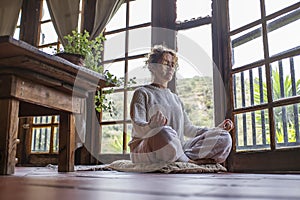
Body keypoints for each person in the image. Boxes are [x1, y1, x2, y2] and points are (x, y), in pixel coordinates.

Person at [128, 45, 234, 165]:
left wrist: (217, 129)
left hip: (176, 148)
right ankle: (189, 161)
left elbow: (189, 130)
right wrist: (151, 126)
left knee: (224, 137)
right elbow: (138, 127)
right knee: (162, 132)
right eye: (166, 63)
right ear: (152, 66)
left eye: (173, 65)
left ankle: (182, 158)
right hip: (146, 150)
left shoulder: (175, 98)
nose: (170, 68)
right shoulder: (142, 93)